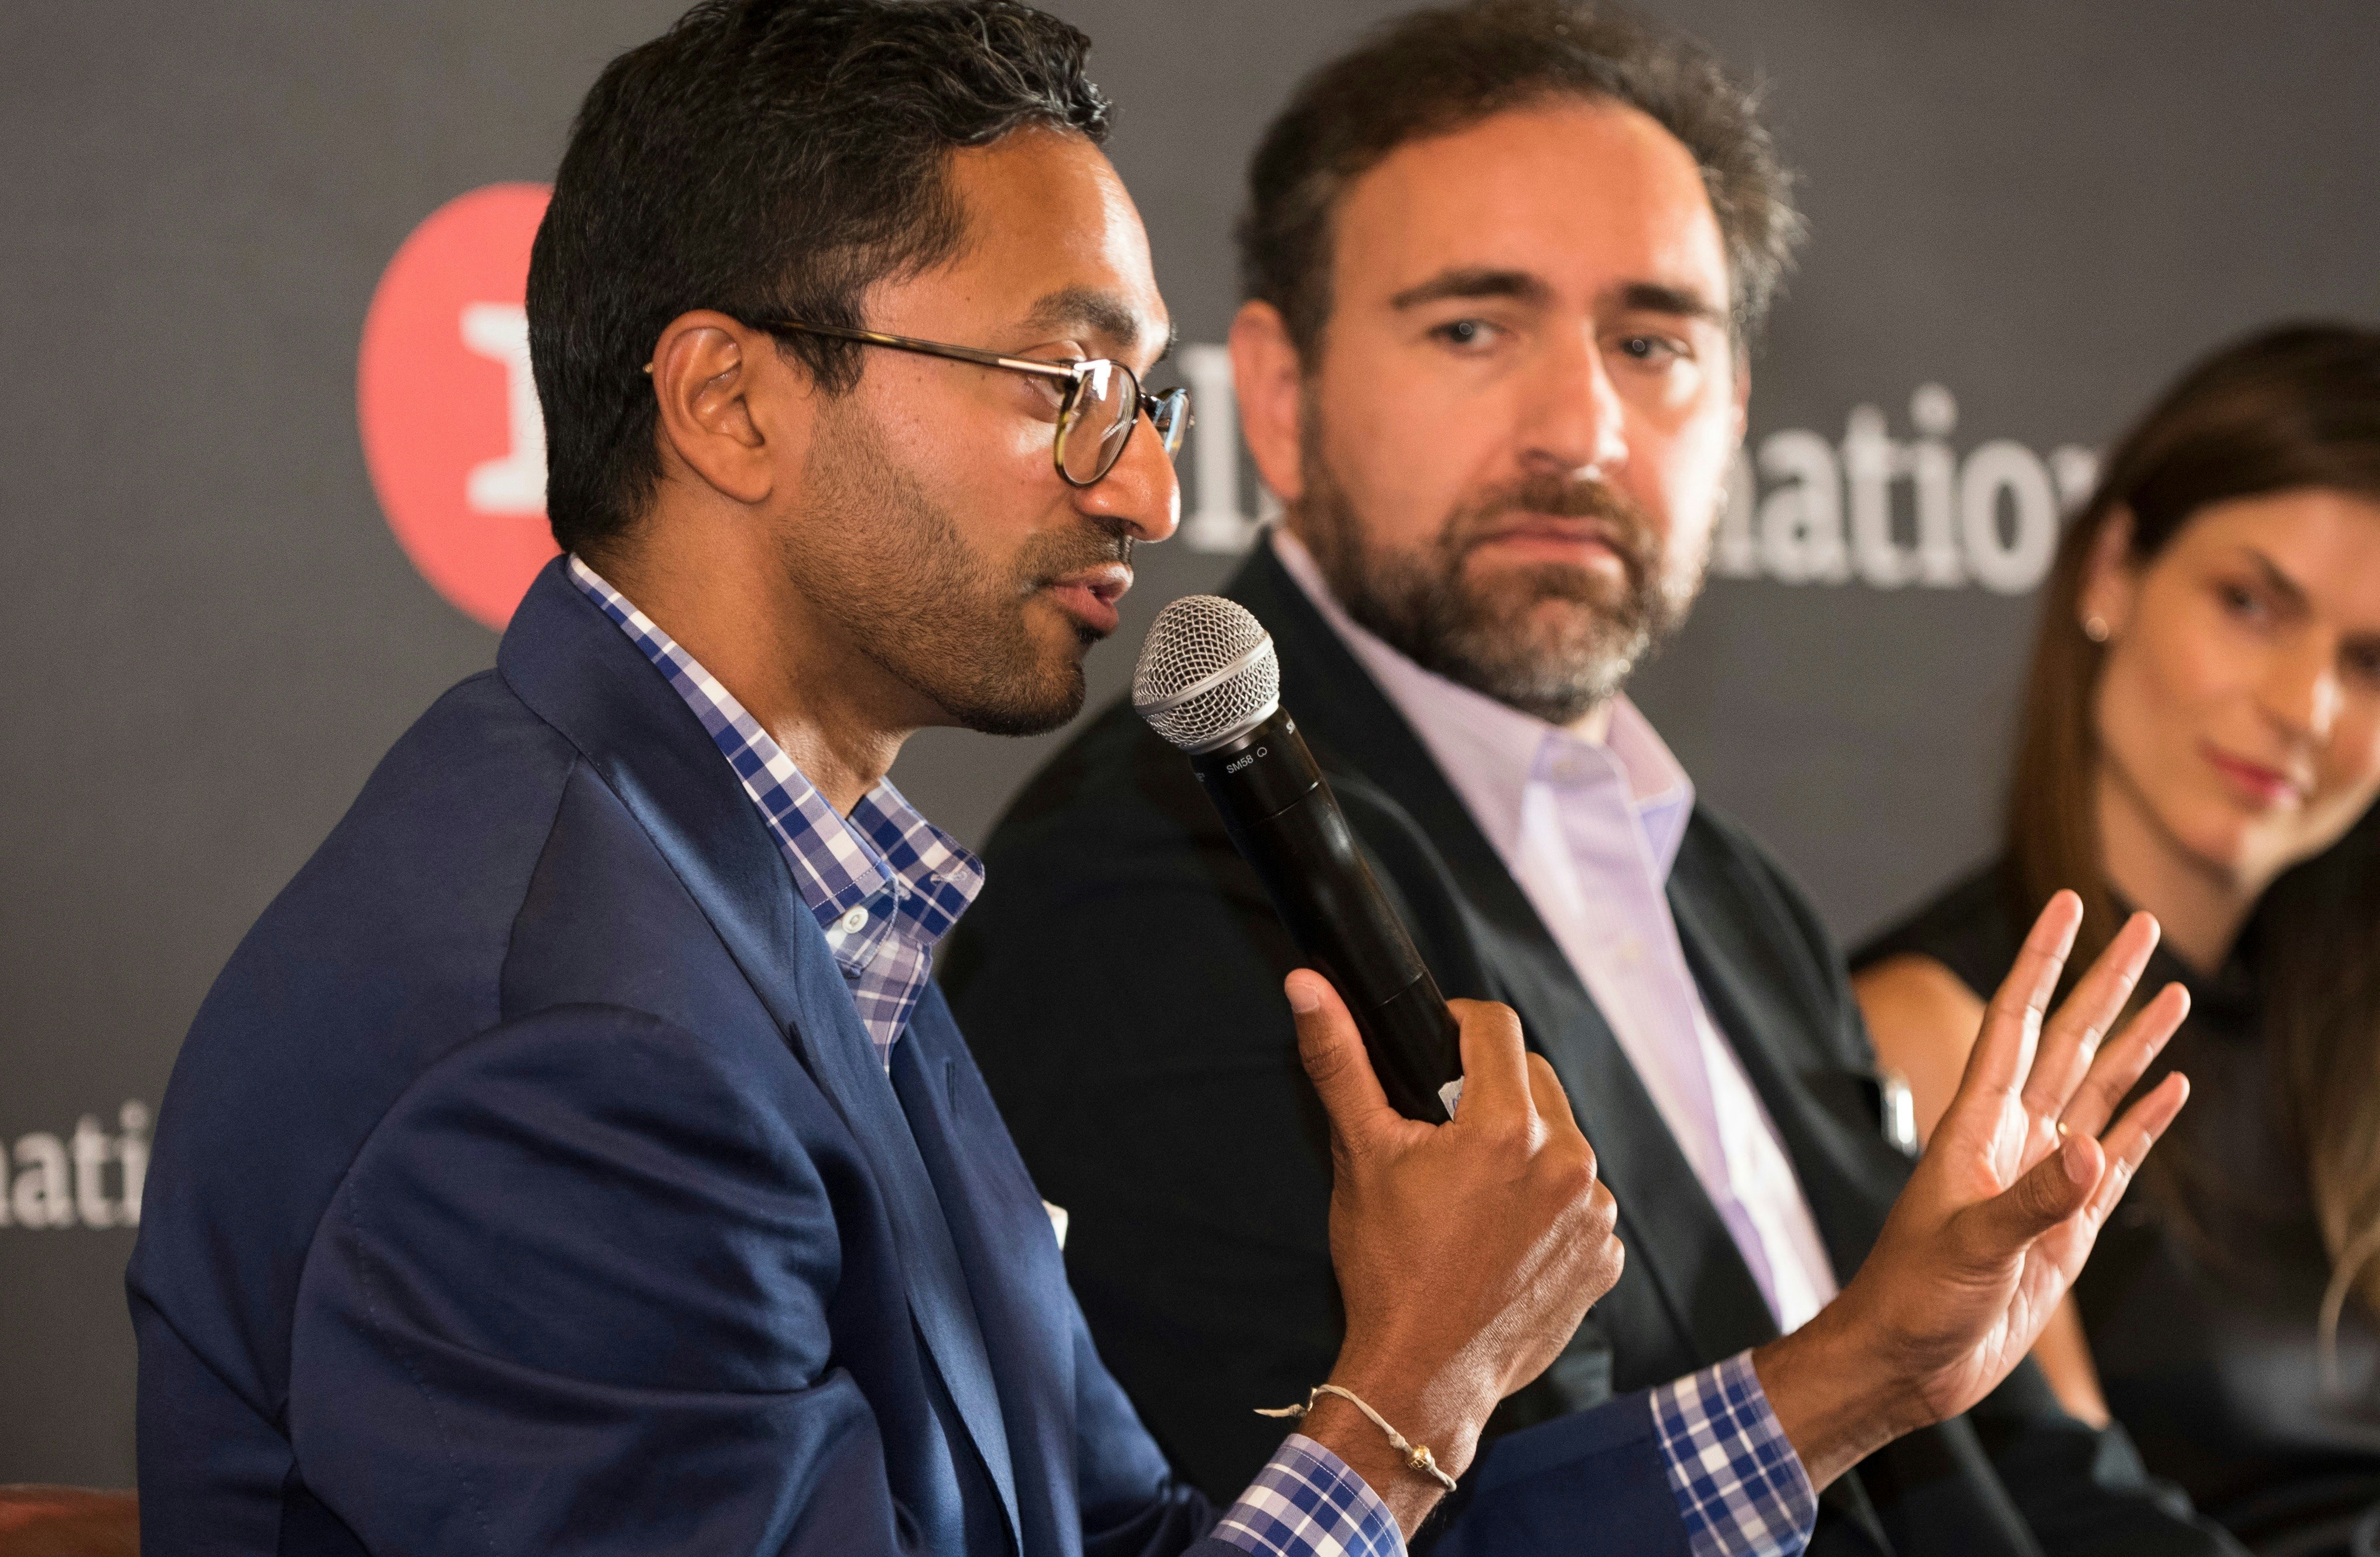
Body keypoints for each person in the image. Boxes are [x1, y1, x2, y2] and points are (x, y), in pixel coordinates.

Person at [125, 5, 1638, 1552]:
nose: (1152, 486)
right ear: (729, 403)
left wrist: (1869, 1371)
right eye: (1068, 381)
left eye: (1144, 396)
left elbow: (1116, 1537)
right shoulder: (577, 1047)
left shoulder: (805, 900)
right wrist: (1406, 1405)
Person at [940, 4, 2231, 1552]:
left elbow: (1994, 1457)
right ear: (1280, 397)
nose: (1582, 428)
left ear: (1738, 409)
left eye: (1654, 343)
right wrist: (1853, 1372)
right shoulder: (1158, 877)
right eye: (1473, 329)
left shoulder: (1734, 890)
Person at [1850, 322, 2380, 1557]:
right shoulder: (1934, 1033)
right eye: (2251, 604)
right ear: (2112, 573)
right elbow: (2067, 1524)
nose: (2304, 706)